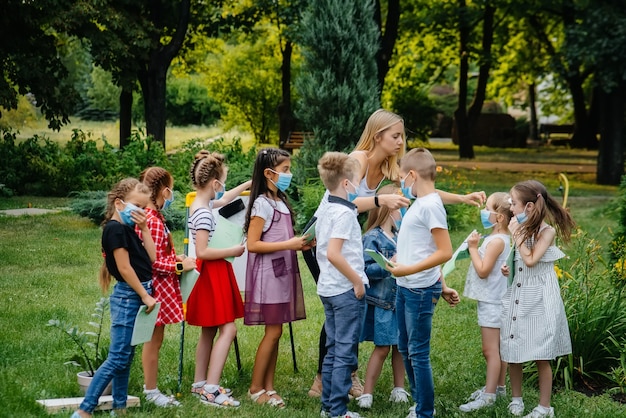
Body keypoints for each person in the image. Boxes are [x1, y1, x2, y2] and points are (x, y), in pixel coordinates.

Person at [307, 109, 486, 398]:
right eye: (396, 136)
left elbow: (424, 190)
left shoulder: (392, 166)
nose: (401, 141)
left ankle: (344, 374)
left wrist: (462, 198)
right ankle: (324, 378)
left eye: (402, 135)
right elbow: (343, 198)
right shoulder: (359, 160)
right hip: (322, 238)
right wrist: (380, 198)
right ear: (377, 136)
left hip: (346, 238)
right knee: (339, 304)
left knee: (349, 307)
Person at [71, 178, 157, 418]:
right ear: (119, 204)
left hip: (139, 295)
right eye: (137, 206)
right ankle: (84, 410)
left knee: (126, 356)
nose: (140, 212)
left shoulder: (128, 228)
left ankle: (119, 407)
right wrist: (144, 296)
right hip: (129, 297)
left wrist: (146, 229)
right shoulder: (114, 229)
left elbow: (151, 258)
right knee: (117, 356)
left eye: (144, 207)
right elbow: (125, 268)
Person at [388, 148, 460, 418]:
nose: (401, 185)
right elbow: (422, 247)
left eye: (401, 179)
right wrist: (400, 260)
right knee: (405, 348)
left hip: (418, 289)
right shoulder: (424, 200)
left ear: (412, 175)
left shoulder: (430, 206)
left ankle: (424, 412)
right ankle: (419, 403)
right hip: (406, 286)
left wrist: (408, 268)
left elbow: (444, 251)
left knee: (417, 353)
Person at [500, 180, 575, 418]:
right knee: (513, 348)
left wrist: (516, 234)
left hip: (539, 300)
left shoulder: (547, 232)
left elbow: (531, 259)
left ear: (530, 207)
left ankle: (545, 407)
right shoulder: (520, 229)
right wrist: (508, 267)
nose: (511, 208)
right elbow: (521, 260)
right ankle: (516, 399)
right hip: (519, 294)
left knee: (542, 354)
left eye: (514, 204)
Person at [243, 147, 308, 409]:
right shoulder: (261, 203)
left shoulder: (279, 201)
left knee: (277, 332)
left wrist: (299, 243)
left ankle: (269, 388)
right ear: (269, 173)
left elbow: (282, 240)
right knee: (273, 332)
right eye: (285, 170)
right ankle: (255, 388)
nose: (289, 174)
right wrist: (289, 244)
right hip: (268, 277)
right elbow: (253, 244)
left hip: (281, 276)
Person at [187, 150, 251, 407]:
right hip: (213, 269)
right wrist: (233, 251)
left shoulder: (202, 204)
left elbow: (224, 199)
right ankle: (212, 390)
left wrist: (247, 184)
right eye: (222, 182)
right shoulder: (203, 212)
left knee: (209, 329)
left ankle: (200, 383)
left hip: (209, 272)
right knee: (229, 328)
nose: (223, 188)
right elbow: (202, 251)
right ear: (214, 183)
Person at [136, 167, 196, 407]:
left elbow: (159, 253)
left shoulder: (152, 217)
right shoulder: (151, 220)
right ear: (164, 190)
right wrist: (181, 267)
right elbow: (152, 262)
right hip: (157, 288)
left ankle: (151, 388)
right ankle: (150, 391)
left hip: (160, 287)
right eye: (171, 189)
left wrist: (176, 258)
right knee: (153, 340)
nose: (172, 196)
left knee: (155, 339)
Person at [315, 151, 368, 418]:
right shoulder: (345, 215)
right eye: (358, 179)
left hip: (328, 288)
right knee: (345, 352)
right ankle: (337, 410)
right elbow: (334, 253)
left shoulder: (327, 208)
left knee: (333, 348)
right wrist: (357, 281)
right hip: (345, 290)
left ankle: (328, 406)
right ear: (346, 184)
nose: (359, 183)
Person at [356, 184, 409, 410]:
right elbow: (365, 271)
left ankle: (399, 389)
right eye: (400, 206)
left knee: (400, 347)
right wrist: (389, 264)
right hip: (383, 303)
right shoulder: (372, 237)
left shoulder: (400, 235)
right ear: (387, 208)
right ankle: (367, 393)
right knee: (383, 347)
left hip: (401, 301)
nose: (403, 210)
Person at [458, 192, 512, 412]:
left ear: (499, 217)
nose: (483, 212)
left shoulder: (496, 241)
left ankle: (488, 396)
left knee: (490, 351)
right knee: (499, 350)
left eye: (487, 208)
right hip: (499, 300)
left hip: (492, 302)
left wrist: (472, 247)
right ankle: (498, 388)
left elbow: (482, 271)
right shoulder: (506, 237)